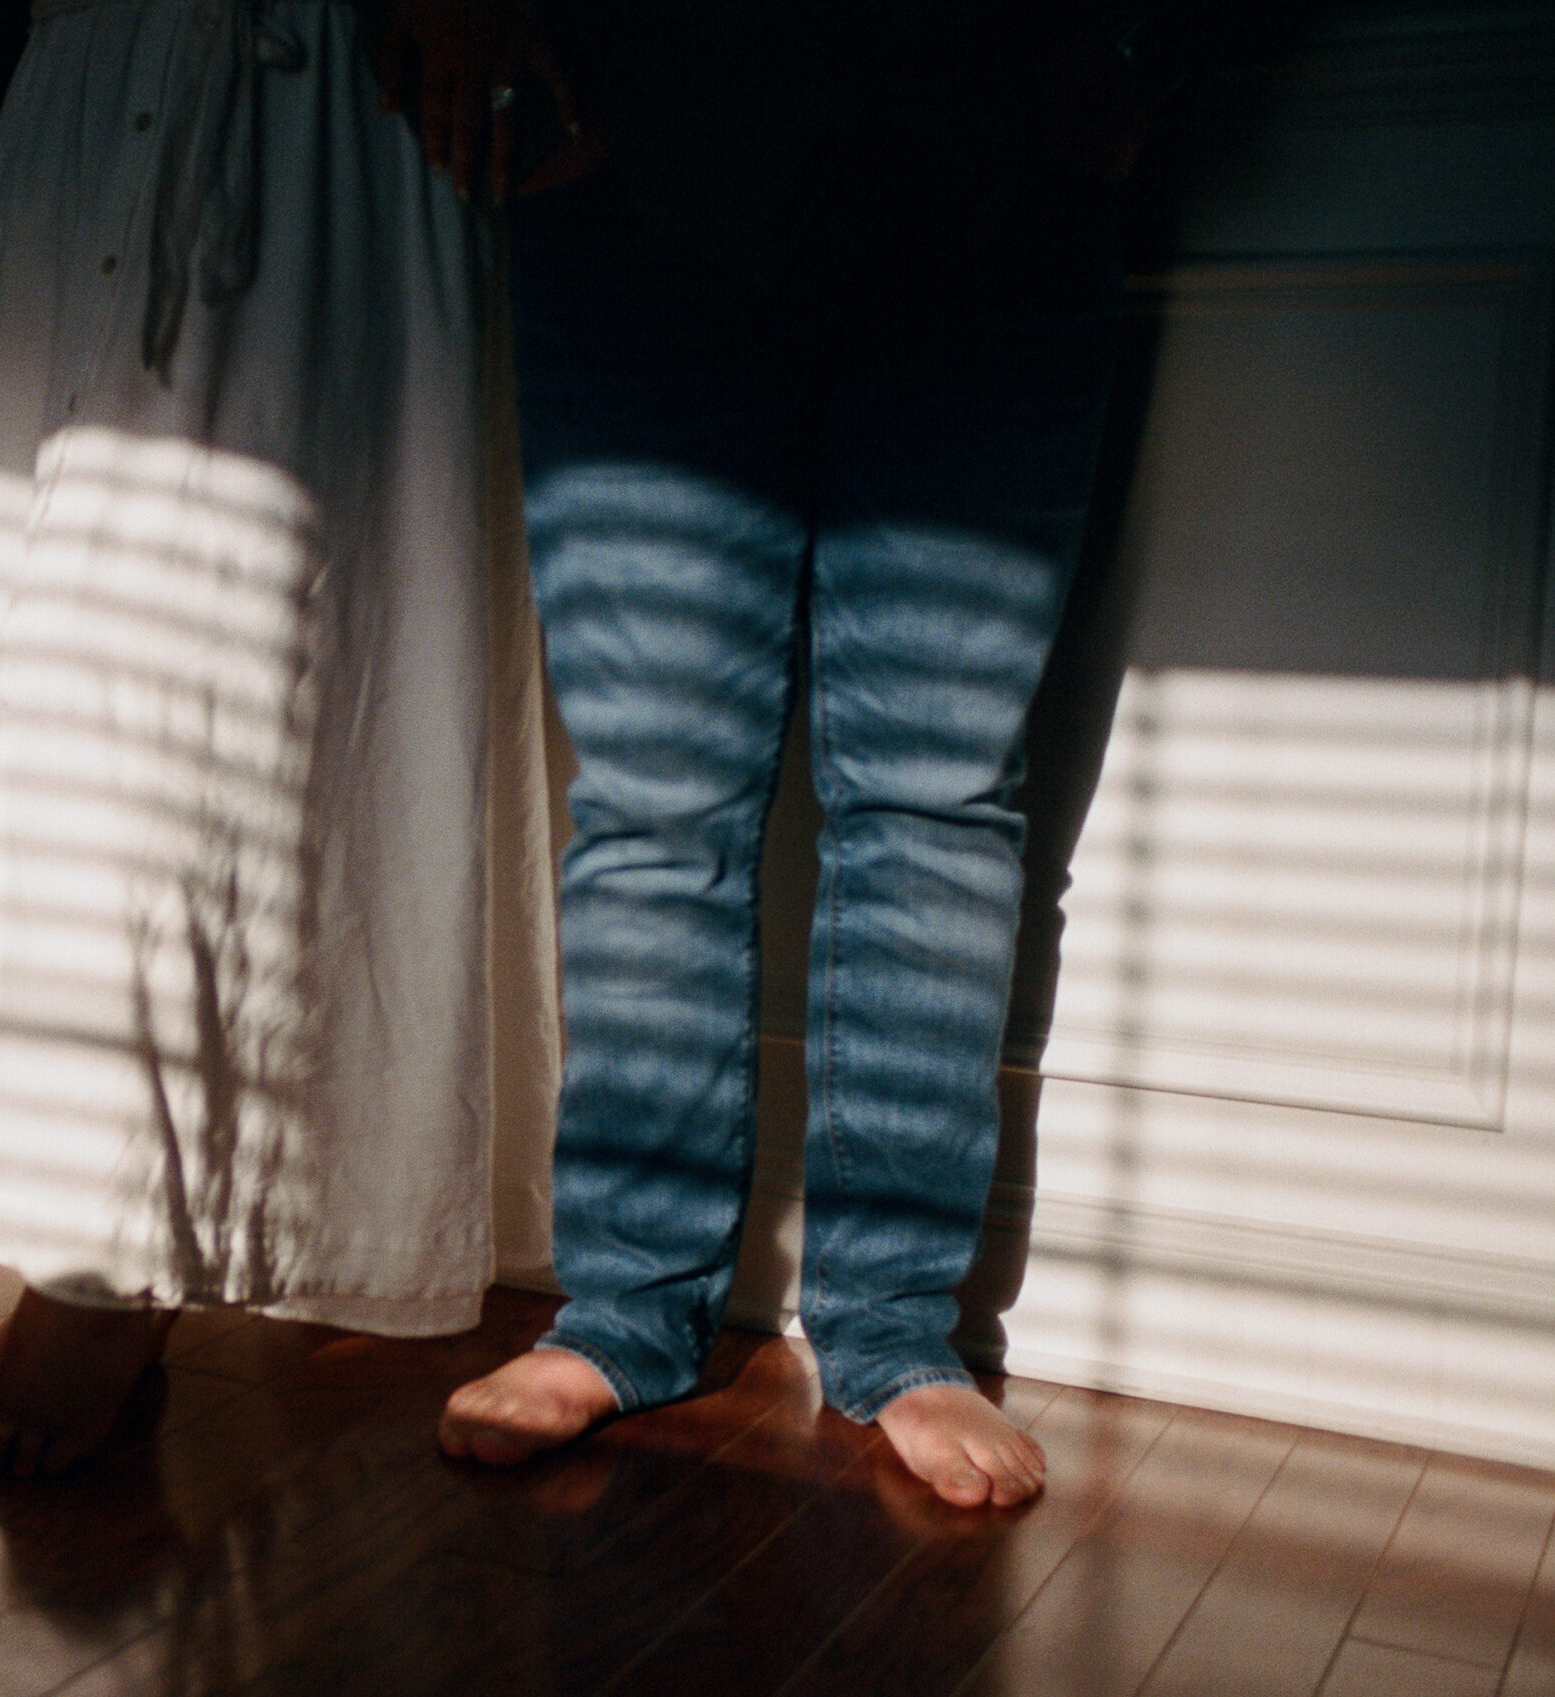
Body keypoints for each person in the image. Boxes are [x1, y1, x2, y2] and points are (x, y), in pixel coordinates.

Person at [425, 0, 1171, 1506]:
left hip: (1005, 131)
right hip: (630, 127)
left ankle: (894, 1326)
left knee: (936, 792)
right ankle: (633, 1305)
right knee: (653, 801)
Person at [0, 0, 562, 1475]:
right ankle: (96, 1248)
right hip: (98, 74)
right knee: (66, 693)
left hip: (325, 82)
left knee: (228, 689)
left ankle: (107, 1274)